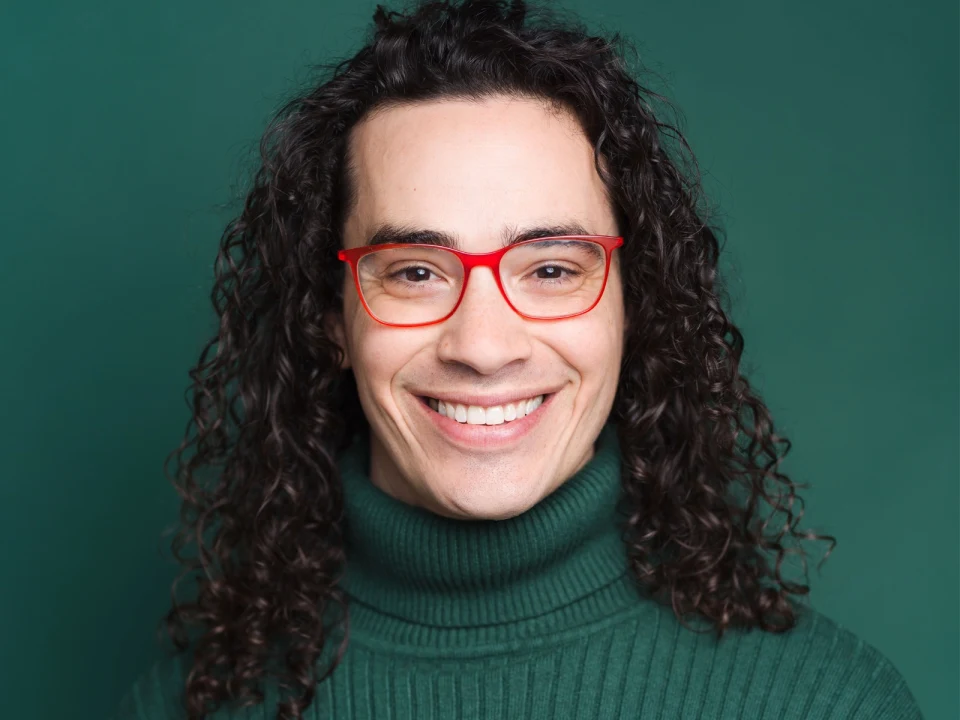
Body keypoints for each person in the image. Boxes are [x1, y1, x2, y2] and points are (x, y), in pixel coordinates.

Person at [111, 1, 923, 718]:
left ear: (629, 302)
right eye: (417, 273)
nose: (484, 346)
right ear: (332, 315)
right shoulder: (189, 707)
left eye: (552, 268)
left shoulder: (828, 704)